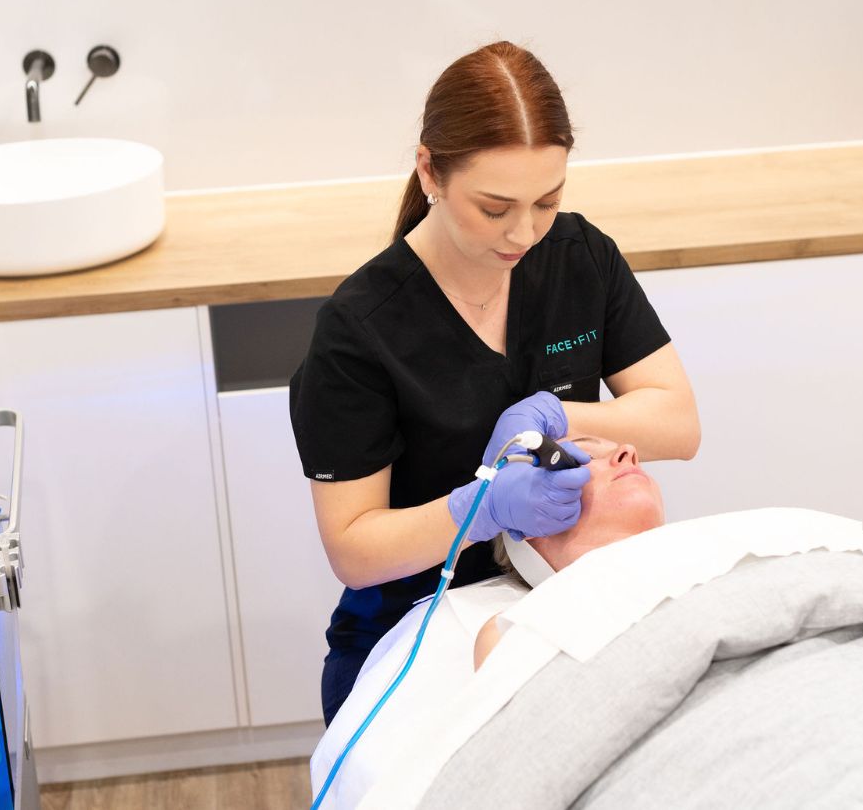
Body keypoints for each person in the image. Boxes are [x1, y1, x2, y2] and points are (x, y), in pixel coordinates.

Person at [289, 40, 701, 725]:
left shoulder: (579, 258)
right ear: (430, 170)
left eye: (547, 200)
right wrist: (480, 508)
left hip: (561, 586)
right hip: (410, 615)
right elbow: (353, 548)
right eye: (494, 206)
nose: (525, 231)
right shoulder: (360, 330)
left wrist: (562, 418)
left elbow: (678, 423)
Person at [476, 434, 665, 668]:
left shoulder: (718, 543)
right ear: (531, 520)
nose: (630, 450)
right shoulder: (518, 631)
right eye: (588, 456)